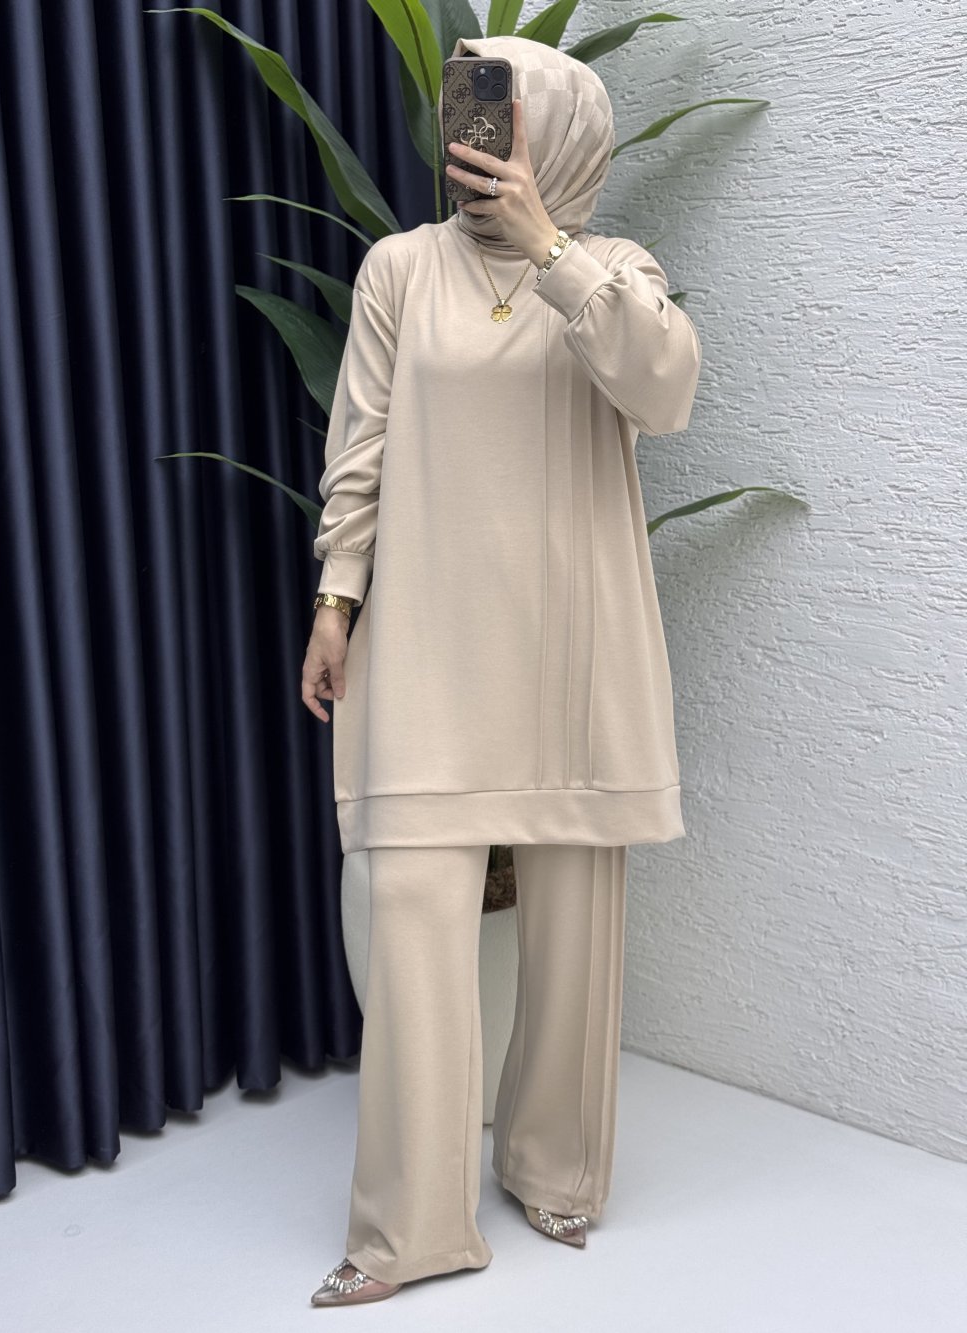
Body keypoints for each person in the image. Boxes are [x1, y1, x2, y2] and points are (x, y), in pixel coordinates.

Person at [300, 34, 702, 1307]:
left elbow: (664, 391)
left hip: (573, 651)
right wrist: (336, 597)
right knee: (412, 919)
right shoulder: (399, 269)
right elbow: (361, 442)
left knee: (575, 936)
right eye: (466, 116)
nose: (472, 143)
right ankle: (407, 1228)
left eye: (506, 118)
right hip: (426, 643)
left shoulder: (614, 271)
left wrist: (546, 246)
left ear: (561, 136)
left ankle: (555, 1168)